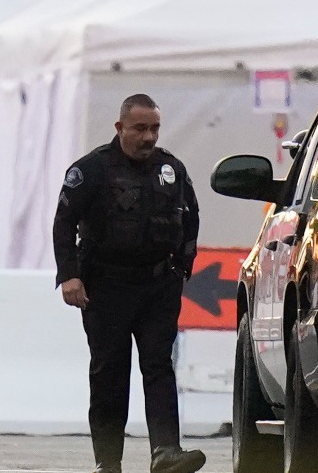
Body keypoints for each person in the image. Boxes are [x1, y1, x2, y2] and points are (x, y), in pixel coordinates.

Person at [54, 94, 207, 473]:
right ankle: (109, 462)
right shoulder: (91, 170)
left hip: (157, 287)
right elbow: (63, 224)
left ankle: (166, 452)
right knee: (110, 373)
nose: (149, 137)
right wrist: (69, 275)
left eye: (154, 128)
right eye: (140, 128)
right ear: (120, 128)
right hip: (105, 287)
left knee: (158, 366)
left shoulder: (170, 168)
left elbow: (191, 218)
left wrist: (182, 267)